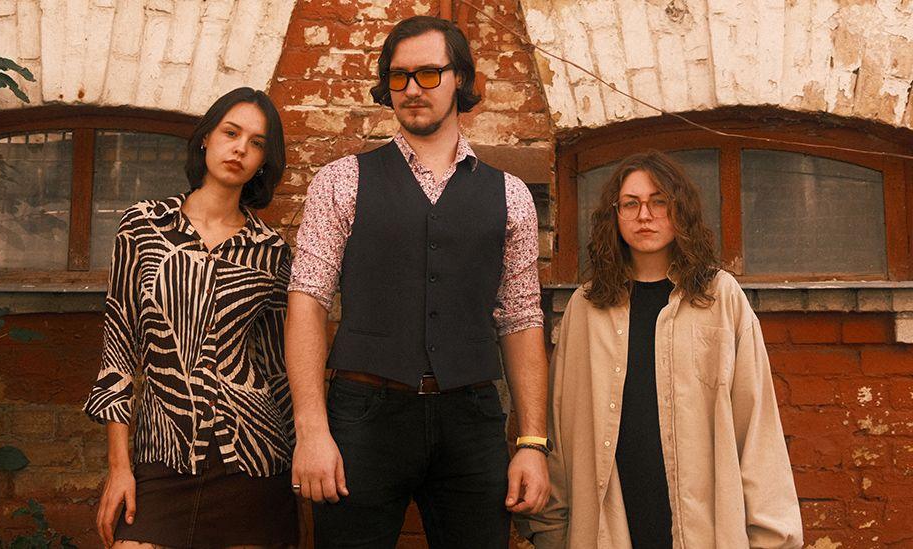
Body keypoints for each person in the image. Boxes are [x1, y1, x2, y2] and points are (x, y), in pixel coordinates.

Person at [285, 15, 550, 549]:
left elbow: (522, 320)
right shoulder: (341, 181)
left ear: (462, 81)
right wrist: (312, 430)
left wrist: (532, 442)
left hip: (470, 416)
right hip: (363, 413)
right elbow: (307, 302)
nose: (411, 89)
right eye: (399, 76)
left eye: (429, 74)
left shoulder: (512, 196)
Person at [515, 151, 802, 548]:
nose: (644, 215)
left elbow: (756, 422)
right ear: (614, 215)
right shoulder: (587, 305)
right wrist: (552, 528)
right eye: (630, 204)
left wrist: (772, 535)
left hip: (702, 521)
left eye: (659, 201)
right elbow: (564, 423)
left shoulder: (719, 297)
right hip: (612, 518)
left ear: (679, 209)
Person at [83, 87, 298, 549]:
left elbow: (280, 368)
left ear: (265, 161)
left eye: (257, 143)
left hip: (254, 459)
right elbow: (119, 351)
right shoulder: (142, 226)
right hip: (163, 457)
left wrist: (303, 465)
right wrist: (120, 468)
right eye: (231, 132)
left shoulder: (272, 251)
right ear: (205, 138)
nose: (240, 148)